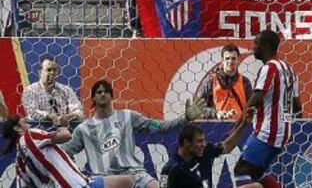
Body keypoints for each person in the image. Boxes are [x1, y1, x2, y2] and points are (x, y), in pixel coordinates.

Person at [61, 79, 206, 188]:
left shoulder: (128, 117)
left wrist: (185, 118)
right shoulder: (84, 129)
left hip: (136, 174)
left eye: (106, 91)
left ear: (112, 96)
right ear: (93, 98)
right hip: (106, 178)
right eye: (99, 92)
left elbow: (161, 127)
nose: (103, 94)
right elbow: (64, 152)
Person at [233, 30, 302, 188]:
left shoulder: (269, 69)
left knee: (241, 171)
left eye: (256, 43)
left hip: (266, 133)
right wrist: (285, 126)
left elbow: (255, 99)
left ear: (265, 46)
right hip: (281, 133)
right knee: (256, 173)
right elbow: (297, 106)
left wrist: (237, 125)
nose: (253, 47)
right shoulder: (289, 70)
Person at [1, 115, 135, 188]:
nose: (27, 122)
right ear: (18, 129)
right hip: (74, 184)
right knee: (129, 181)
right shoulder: (30, 135)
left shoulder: (19, 160)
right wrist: (62, 125)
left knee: (126, 181)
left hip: (83, 182)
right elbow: (66, 136)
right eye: (23, 121)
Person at [160, 122, 246, 188]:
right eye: (199, 141)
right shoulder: (171, 169)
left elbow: (227, 146)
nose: (204, 144)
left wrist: (244, 124)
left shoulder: (204, 151)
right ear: (186, 143)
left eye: (204, 140)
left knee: (256, 186)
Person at [22, 56, 83, 126]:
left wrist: (66, 117)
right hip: (40, 130)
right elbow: (32, 111)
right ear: (40, 72)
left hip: (65, 129)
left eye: (54, 70)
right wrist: (50, 116)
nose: (52, 72)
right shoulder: (30, 90)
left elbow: (79, 111)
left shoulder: (67, 90)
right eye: (48, 70)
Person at [198, 44, 252, 121]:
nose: (230, 61)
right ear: (222, 61)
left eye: (233, 58)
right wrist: (215, 114)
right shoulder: (210, 80)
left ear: (239, 59)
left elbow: (251, 108)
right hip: (215, 126)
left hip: (239, 128)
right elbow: (198, 108)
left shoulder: (245, 82)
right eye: (227, 58)